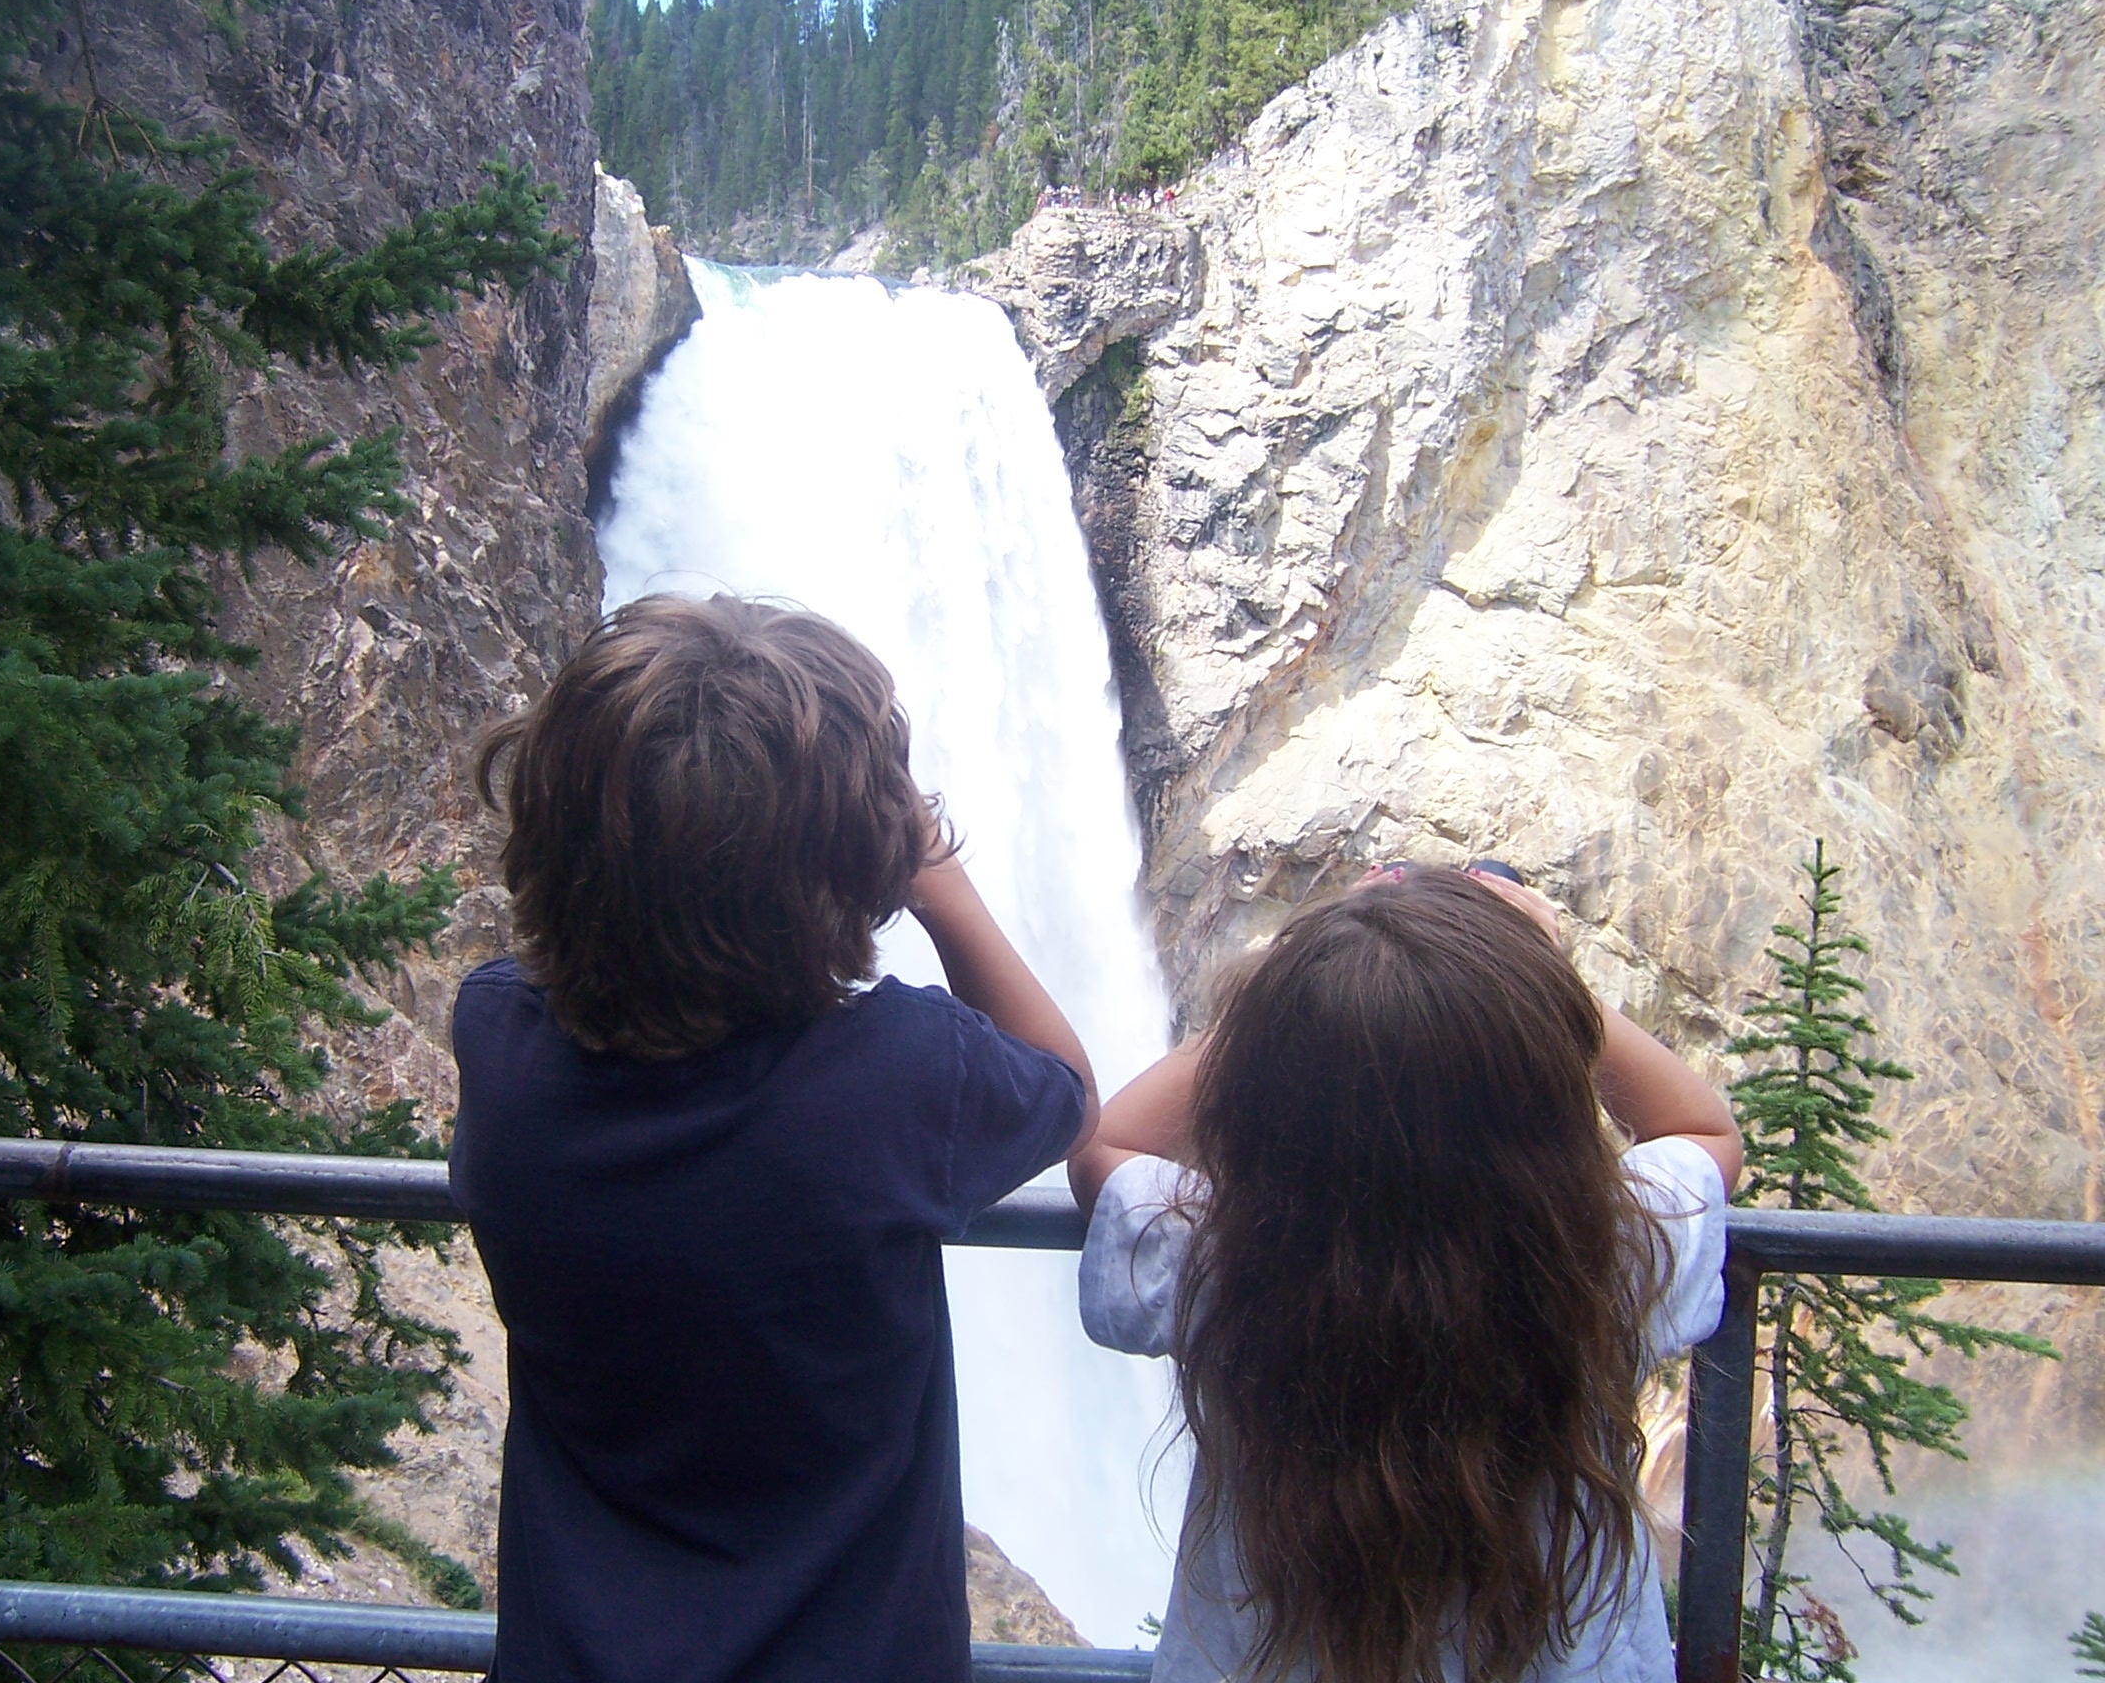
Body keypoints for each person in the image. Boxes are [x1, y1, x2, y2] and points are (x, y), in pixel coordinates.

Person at [453, 594, 1098, 1683]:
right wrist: (936, 878)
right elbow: (1068, 1087)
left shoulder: (498, 1040)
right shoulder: (900, 1078)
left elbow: (547, 983)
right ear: (857, 864)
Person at [1071, 865, 1742, 1683]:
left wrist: (1300, 981)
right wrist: (1532, 975)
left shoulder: (1227, 1260)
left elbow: (1104, 1146)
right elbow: (1703, 1129)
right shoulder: (1604, 1257)